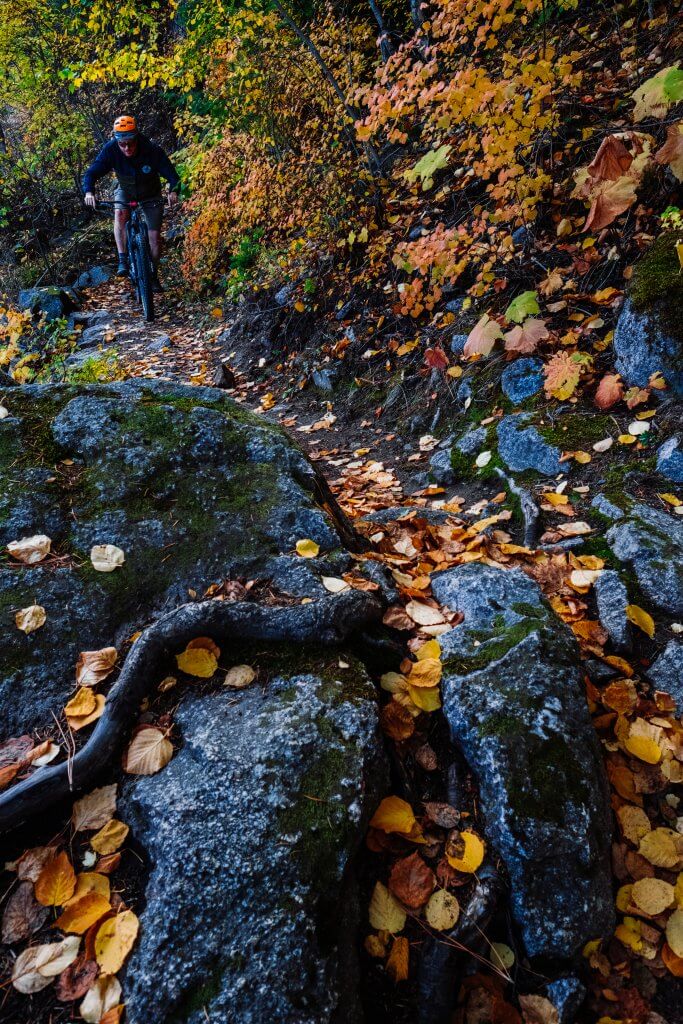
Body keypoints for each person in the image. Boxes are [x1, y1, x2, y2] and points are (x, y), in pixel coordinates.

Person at [83, 115, 180, 291]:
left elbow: (172, 175)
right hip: (126, 190)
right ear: (116, 141)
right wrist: (89, 192)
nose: (127, 148)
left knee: (154, 239)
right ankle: (123, 259)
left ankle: (152, 274)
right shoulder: (110, 150)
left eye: (130, 143)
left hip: (151, 193)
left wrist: (173, 190)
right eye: (122, 144)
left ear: (136, 137)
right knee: (119, 213)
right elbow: (91, 173)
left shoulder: (151, 150)